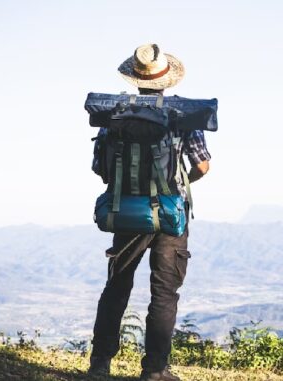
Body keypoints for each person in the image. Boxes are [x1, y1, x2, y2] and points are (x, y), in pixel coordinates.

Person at [88, 43, 211, 381]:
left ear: (136, 79)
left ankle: (100, 364)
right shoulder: (181, 117)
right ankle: (155, 370)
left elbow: (100, 167)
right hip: (171, 216)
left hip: (125, 212)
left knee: (117, 285)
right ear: (167, 81)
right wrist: (180, 184)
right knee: (164, 291)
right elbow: (202, 164)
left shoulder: (113, 116)